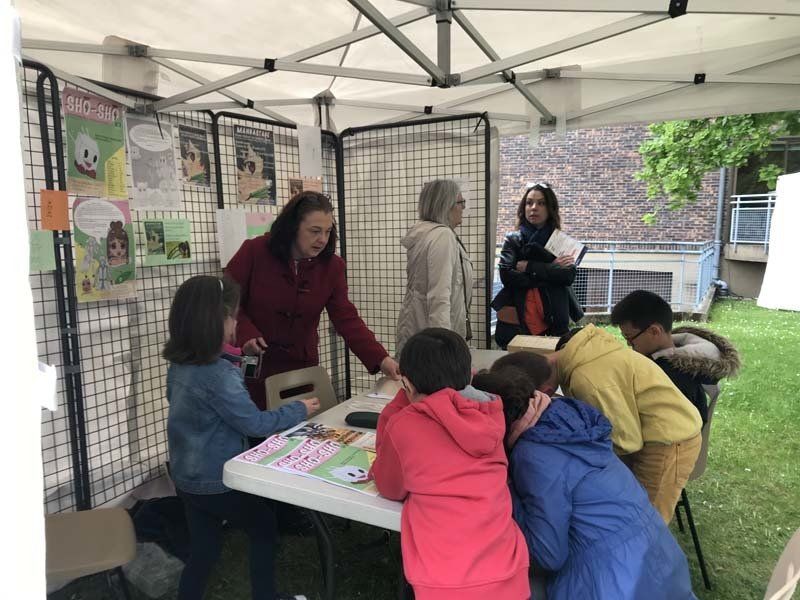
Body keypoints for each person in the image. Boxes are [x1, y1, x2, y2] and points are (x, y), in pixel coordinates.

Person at [472, 365, 697, 600]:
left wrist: (506, 489)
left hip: (610, 582)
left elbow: (548, 554)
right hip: (660, 561)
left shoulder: (534, 453)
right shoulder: (564, 418)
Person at [164, 275, 319, 600]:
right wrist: (299, 409)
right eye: (234, 317)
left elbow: (216, 396)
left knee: (204, 548)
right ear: (216, 321)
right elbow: (254, 423)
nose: (237, 323)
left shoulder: (180, 365)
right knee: (263, 526)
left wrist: (244, 357)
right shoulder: (219, 374)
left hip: (186, 478)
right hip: (217, 481)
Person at [371, 328, 530, 600]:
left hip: (443, 582)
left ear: (406, 383)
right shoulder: (492, 414)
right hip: (508, 573)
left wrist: (403, 401)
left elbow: (389, 487)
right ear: (470, 376)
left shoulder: (405, 425)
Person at [494, 324, 703, 523]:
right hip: (654, 430)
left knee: (646, 518)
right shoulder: (580, 352)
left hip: (669, 439)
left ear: (544, 392)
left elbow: (625, 442)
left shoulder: (586, 381)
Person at [225, 191, 400, 410]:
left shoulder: (332, 266)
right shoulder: (254, 252)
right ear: (292, 227)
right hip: (256, 363)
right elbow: (226, 301)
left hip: (302, 368)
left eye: (328, 231)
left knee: (302, 424)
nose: (322, 240)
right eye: (315, 231)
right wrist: (245, 333)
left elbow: (346, 318)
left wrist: (381, 359)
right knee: (256, 423)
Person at [611, 290, 740, 424]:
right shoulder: (676, 360)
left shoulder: (672, 376)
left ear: (654, 331)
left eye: (630, 337)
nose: (628, 344)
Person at [491, 182, 583, 349]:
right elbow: (506, 276)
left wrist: (530, 267)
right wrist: (551, 269)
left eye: (541, 203)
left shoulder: (560, 240)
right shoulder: (513, 239)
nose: (534, 208)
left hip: (554, 317)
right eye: (529, 203)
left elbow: (568, 276)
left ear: (550, 208)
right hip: (518, 318)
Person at [396, 179, 473, 355]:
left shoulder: (431, 234)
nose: (463, 207)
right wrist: (444, 346)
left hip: (422, 332)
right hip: (434, 341)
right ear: (445, 205)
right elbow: (439, 296)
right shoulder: (442, 236)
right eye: (460, 202)